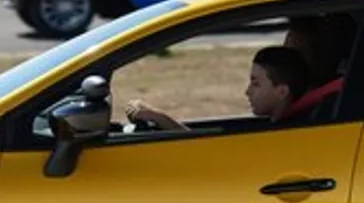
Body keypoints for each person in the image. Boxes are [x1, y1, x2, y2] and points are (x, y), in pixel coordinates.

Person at [125, 45, 311, 130]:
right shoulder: (276, 128)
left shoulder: (284, 137)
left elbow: (205, 155)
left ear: (282, 91)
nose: (247, 91)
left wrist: (158, 116)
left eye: (256, 84)